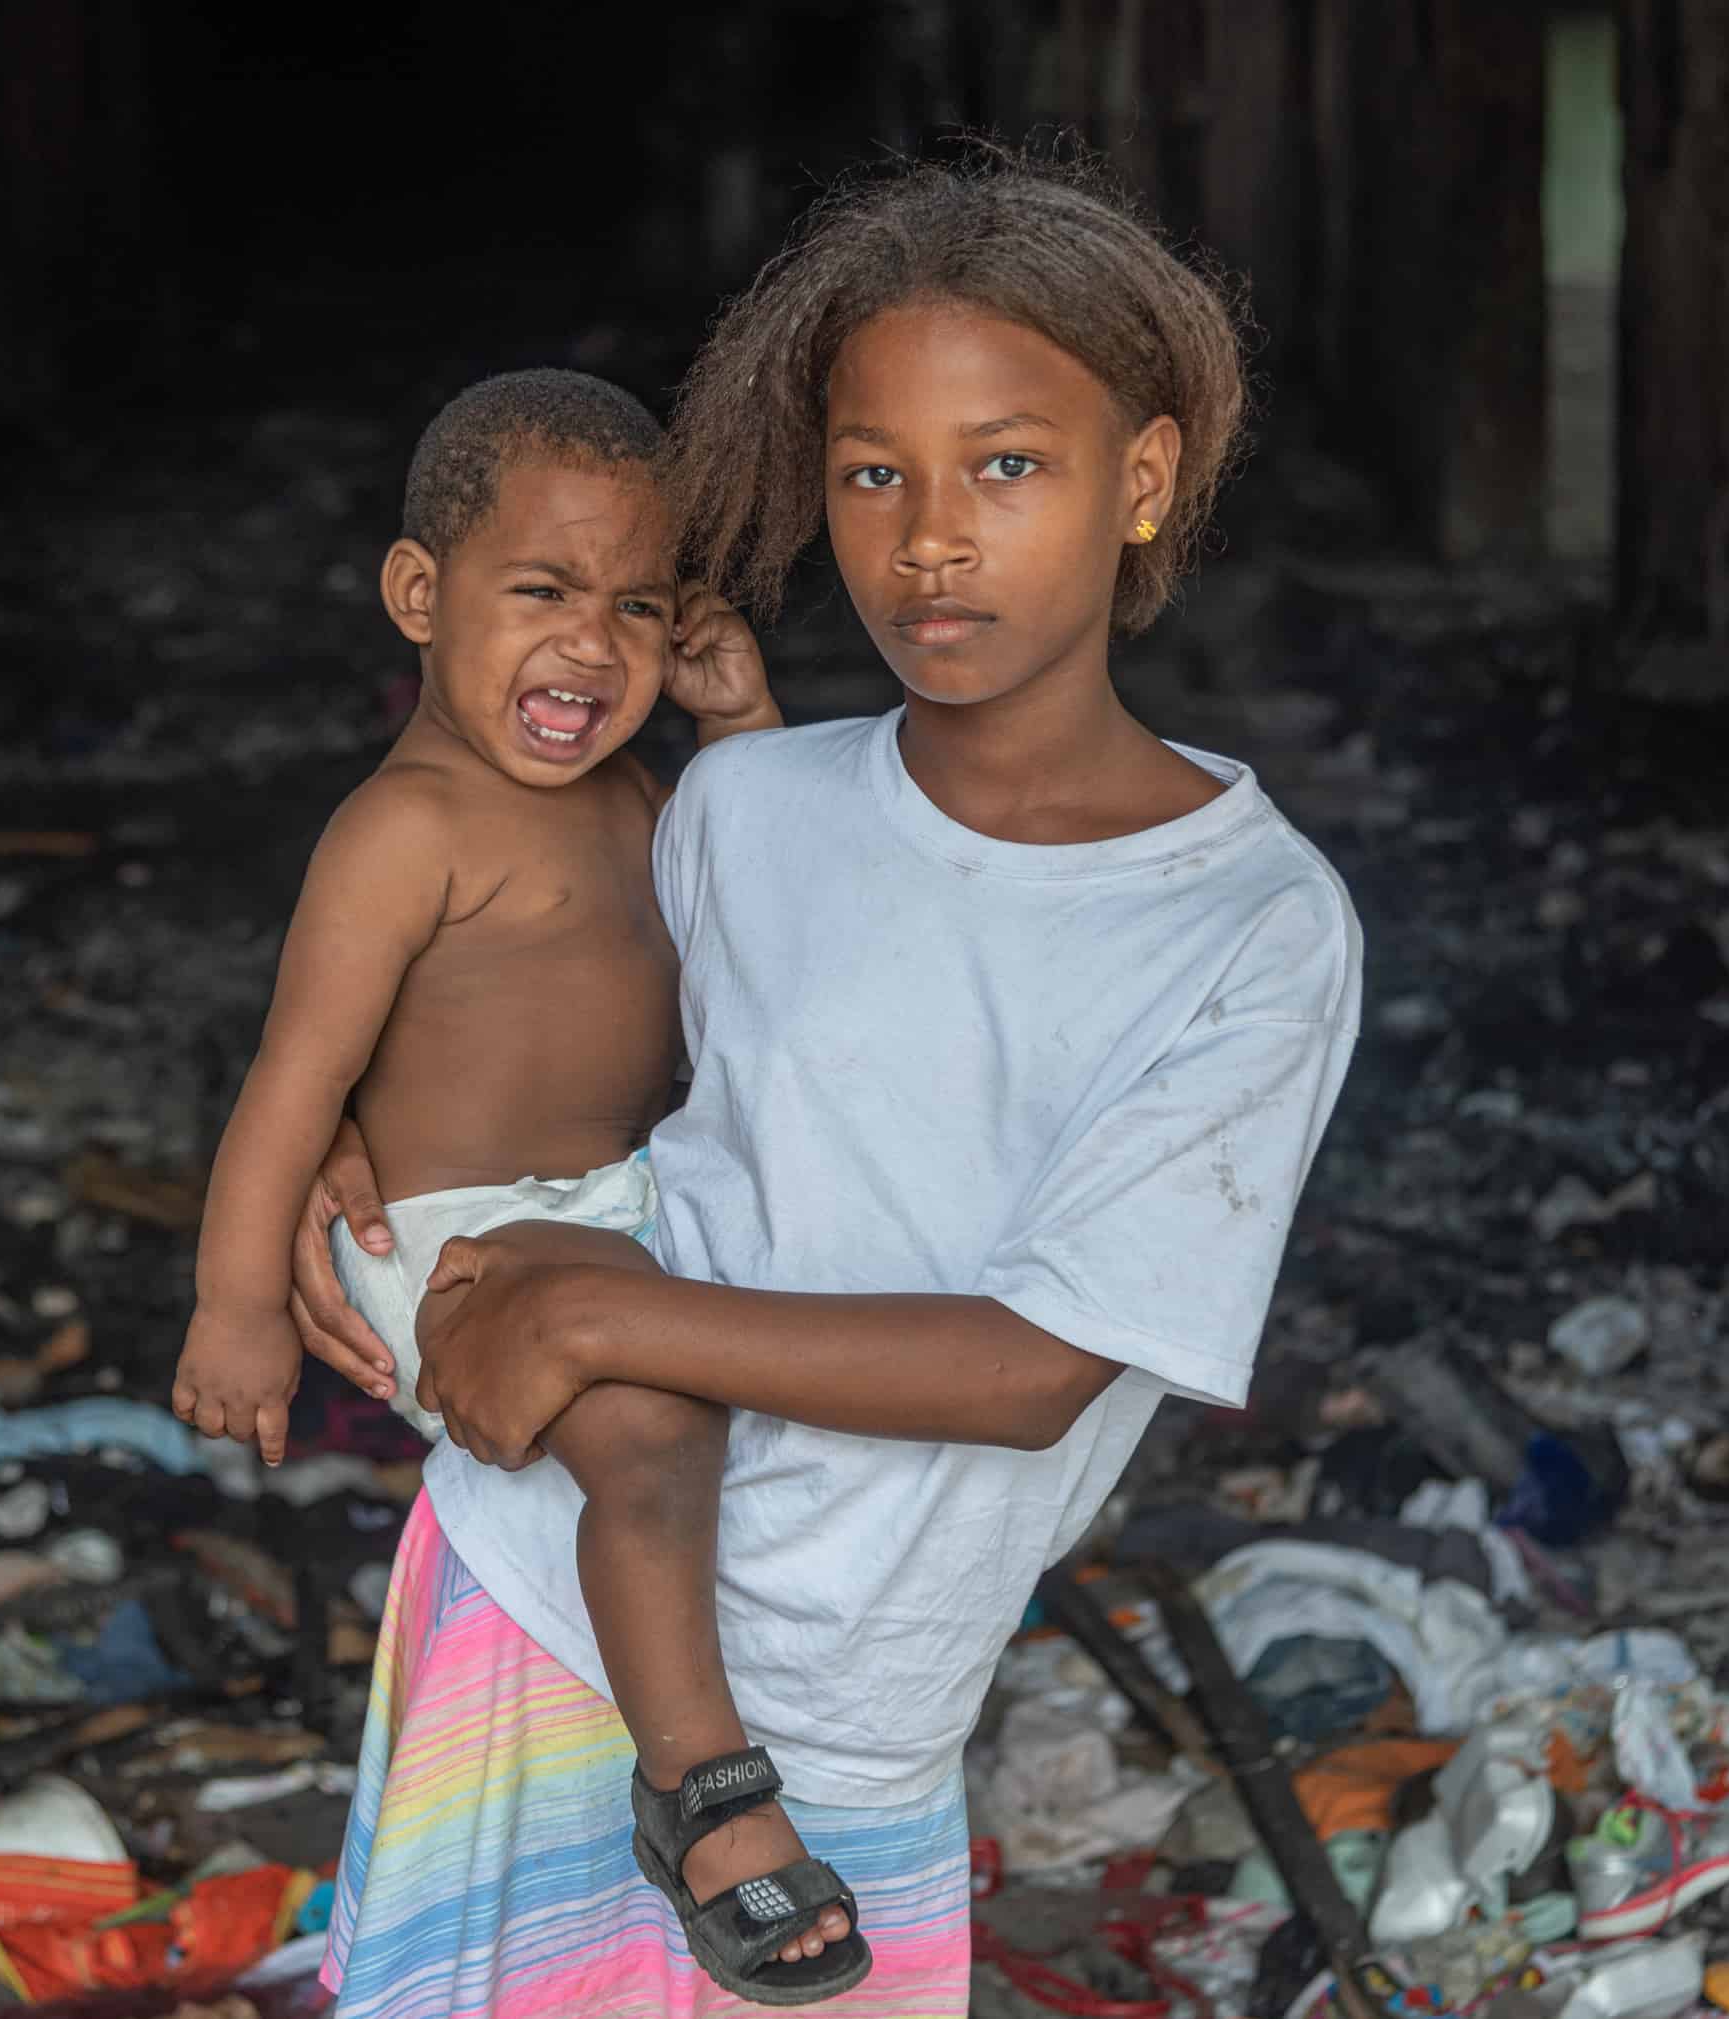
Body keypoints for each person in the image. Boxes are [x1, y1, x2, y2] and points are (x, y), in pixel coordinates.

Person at [293, 152, 1365, 2019]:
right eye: (874, 473)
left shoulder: (1250, 924)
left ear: (1146, 477)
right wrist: (349, 1161)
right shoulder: (746, 804)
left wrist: (618, 1311)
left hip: (857, 1720)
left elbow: (1038, 1371)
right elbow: (552, 1058)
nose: (929, 537)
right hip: (547, 1603)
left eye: (1007, 465)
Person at [166, 369, 836, 1990]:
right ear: (420, 595)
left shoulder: (641, 800)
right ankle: (703, 1796)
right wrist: (235, 1305)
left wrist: (742, 723)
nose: (588, 647)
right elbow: (295, 1081)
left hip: (618, 1213)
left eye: (636, 607)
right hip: (456, 1245)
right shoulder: (404, 830)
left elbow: (789, 919)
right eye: (540, 591)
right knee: (655, 1442)